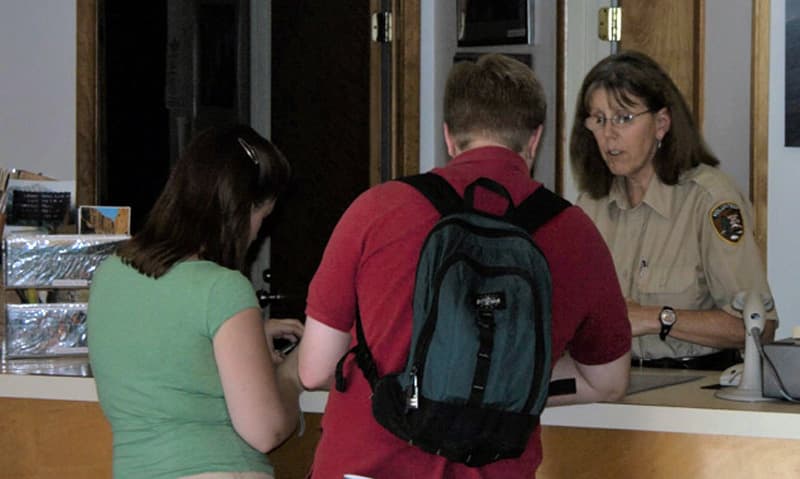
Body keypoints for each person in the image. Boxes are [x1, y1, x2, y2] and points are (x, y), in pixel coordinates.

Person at [297, 53, 631, 478]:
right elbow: (608, 381)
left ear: (449, 137)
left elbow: (313, 370)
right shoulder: (575, 232)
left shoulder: (377, 209)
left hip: (366, 466)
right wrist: (502, 377)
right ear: (534, 140)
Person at [88, 124, 304, 479]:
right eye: (261, 219)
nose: (257, 235)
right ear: (240, 209)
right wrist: (291, 375)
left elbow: (169, 353)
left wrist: (246, 334)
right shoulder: (223, 288)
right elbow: (265, 431)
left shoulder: (110, 274)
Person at [570, 50, 778, 370]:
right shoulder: (589, 207)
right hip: (611, 384)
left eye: (624, 118)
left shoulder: (709, 201)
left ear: (661, 124)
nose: (609, 134)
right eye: (598, 120)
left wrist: (658, 318)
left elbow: (758, 327)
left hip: (693, 385)